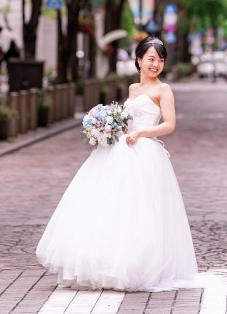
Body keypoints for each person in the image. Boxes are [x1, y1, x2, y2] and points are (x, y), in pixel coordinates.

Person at [36, 37, 198, 291]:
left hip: (145, 152)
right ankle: (106, 263)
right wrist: (107, 127)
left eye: (160, 60)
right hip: (121, 149)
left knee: (141, 209)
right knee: (110, 205)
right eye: (151, 59)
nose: (156, 64)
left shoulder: (163, 90)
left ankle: (139, 266)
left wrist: (142, 134)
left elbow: (170, 124)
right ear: (139, 60)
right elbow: (126, 118)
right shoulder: (133, 89)